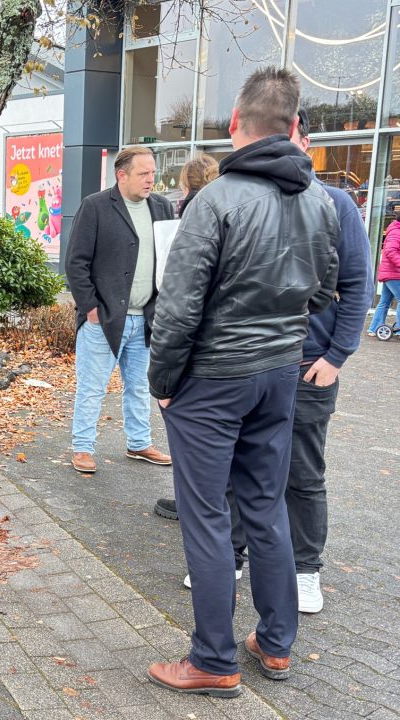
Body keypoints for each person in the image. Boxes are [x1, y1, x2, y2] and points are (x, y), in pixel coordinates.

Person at [145, 68, 339, 697]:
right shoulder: (320, 201)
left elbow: (178, 308)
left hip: (214, 378)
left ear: (235, 124)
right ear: (293, 126)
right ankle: (276, 644)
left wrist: (163, 380)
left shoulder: (216, 201)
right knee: (265, 504)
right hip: (279, 374)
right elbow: (324, 292)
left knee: (206, 514)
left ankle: (213, 658)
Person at [155, 110, 374, 612]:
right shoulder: (252, 200)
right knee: (244, 478)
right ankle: (237, 566)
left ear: (302, 139)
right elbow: (314, 291)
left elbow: (354, 285)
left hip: (300, 364)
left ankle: (304, 570)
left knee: (299, 475)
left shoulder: (330, 203)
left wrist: (337, 355)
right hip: (262, 363)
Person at [65, 146, 174, 474]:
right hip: (104, 319)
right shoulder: (95, 206)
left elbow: (170, 258)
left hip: (146, 319)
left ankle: (139, 442)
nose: (150, 179)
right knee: (92, 387)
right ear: (121, 175)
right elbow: (76, 263)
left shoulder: (162, 207)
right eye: (143, 174)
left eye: (153, 173)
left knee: (139, 387)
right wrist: (91, 308)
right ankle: (83, 448)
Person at [367, 209, 400, 335]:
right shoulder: (396, 232)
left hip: (391, 273)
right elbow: (390, 251)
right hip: (393, 273)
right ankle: (399, 331)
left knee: (384, 302)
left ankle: (374, 328)